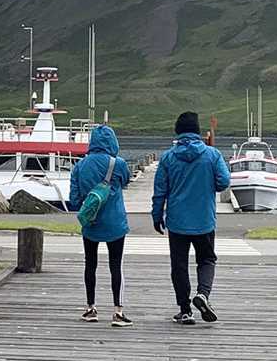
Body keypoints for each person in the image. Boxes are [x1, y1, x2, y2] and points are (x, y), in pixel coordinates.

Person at [151, 110, 230, 324]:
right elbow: (223, 182)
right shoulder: (212, 155)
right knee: (206, 259)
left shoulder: (168, 157)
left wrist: (157, 215)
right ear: (197, 131)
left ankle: (185, 310)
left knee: (179, 265)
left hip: (177, 221)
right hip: (204, 219)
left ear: (178, 132)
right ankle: (203, 294)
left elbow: (160, 190)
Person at [68, 123, 132, 325]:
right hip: (115, 223)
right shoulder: (119, 163)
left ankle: (90, 308)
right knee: (116, 266)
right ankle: (118, 312)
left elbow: (74, 200)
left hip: (91, 223)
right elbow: (126, 181)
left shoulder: (80, 166)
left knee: (90, 264)